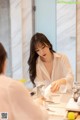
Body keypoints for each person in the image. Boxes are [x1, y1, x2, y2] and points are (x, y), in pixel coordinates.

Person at [0, 42, 48, 120]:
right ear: (4, 61)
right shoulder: (10, 86)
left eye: (43, 47)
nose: (41, 52)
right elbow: (38, 116)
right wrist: (39, 106)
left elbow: (3, 115)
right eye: (37, 50)